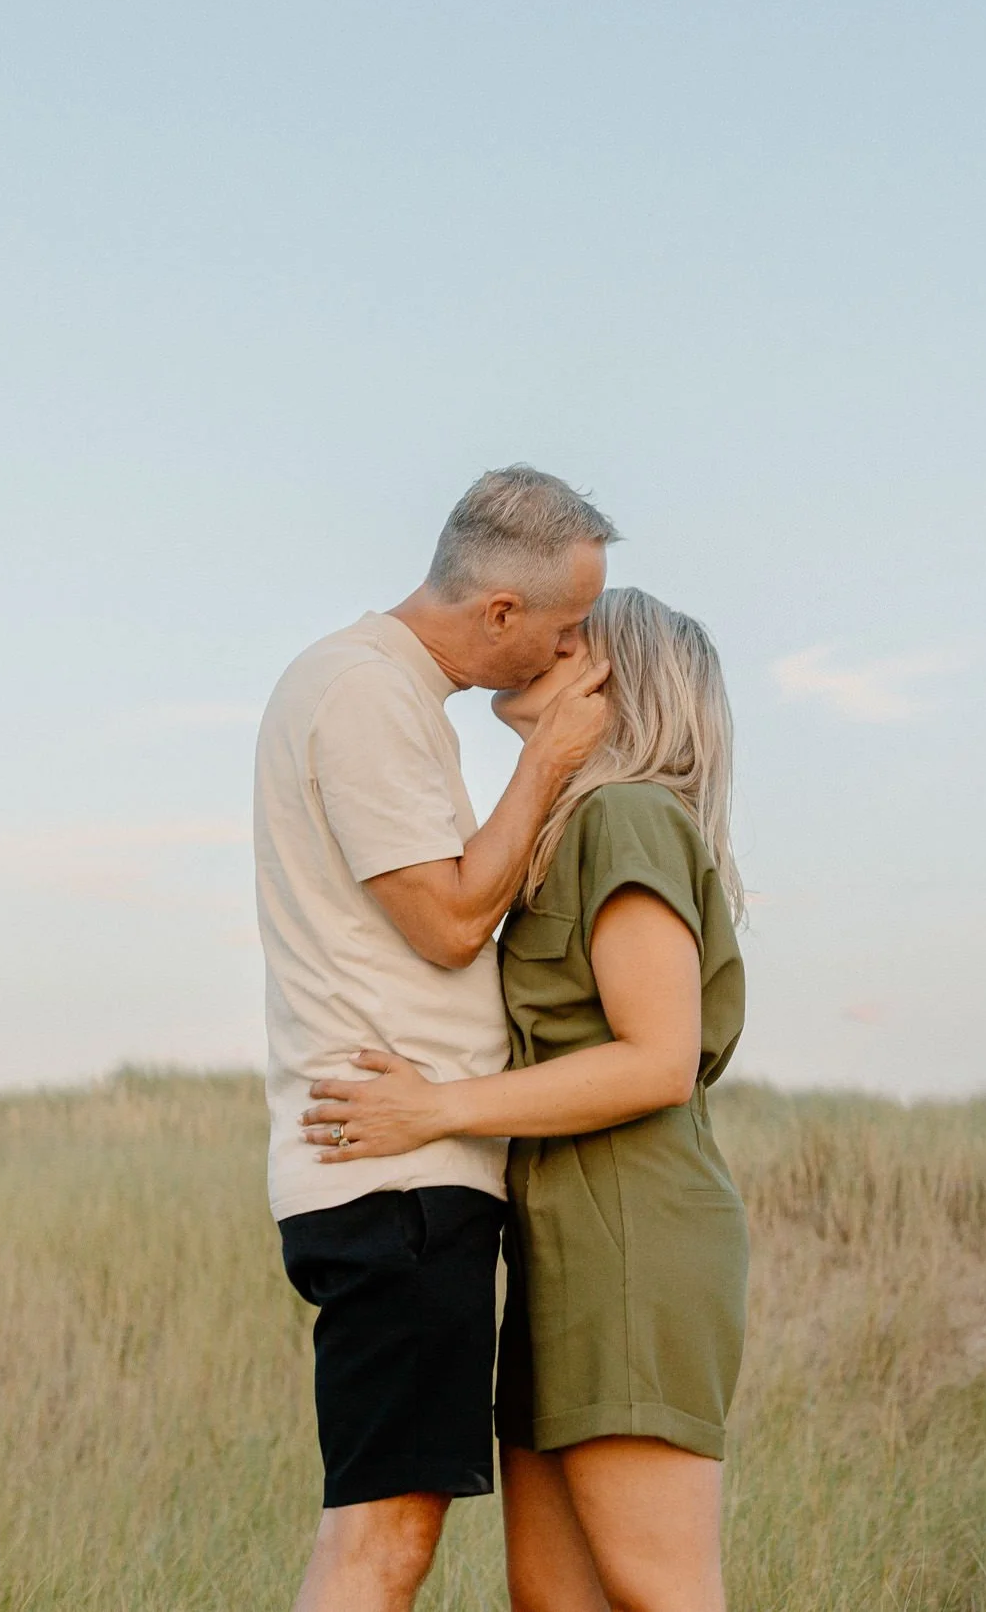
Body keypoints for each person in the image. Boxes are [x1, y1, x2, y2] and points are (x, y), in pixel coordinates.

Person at [303, 586, 749, 1612]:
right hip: (557, 1245)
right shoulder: (567, 824)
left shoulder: (626, 817)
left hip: (634, 1238)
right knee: (551, 1593)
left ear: (610, 677)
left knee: (658, 1586)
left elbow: (656, 1059)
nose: (539, 648)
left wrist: (438, 1107)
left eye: (568, 641)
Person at [253, 466, 619, 1612]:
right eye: (566, 629)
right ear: (499, 613)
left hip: (408, 1173)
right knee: (383, 1542)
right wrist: (549, 758)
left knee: (382, 1530)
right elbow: (453, 919)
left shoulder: (386, 695)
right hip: (397, 1176)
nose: (574, 656)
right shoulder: (361, 692)